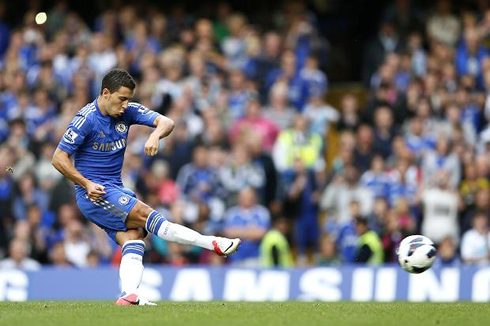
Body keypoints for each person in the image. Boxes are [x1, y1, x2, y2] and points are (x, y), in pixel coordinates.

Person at [51, 69, 241, 306]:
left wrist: (155, 136)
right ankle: (212, 243)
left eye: (129, 99)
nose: (125, 105)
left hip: (116, 188)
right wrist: (86, 183)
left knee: (135, 238)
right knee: (150, 217)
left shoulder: (127, 111)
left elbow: (167, 121)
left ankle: (129, 295)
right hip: (95, 192)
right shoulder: (86, 119)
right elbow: (58, 158)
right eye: (122, 99)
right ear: (106, 93)